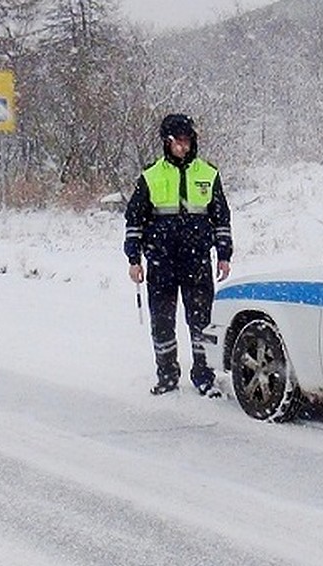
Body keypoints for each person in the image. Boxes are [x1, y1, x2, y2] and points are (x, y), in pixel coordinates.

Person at [124, 113, 233, 396]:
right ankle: (167, 375)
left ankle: (204, 376)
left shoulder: (208, 174)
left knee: (201, 322)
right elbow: (134, 220)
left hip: (196, 262)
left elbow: (221, 218)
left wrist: (224, 254)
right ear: (167, 142)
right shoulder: (151, 176)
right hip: (161, 263)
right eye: (179, 142)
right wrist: (134, 259)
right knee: (162, 322)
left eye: (188, 141)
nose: (184, 147)